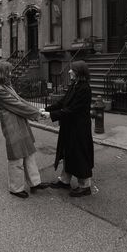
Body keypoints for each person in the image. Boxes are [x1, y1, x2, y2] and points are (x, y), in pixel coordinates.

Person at [0, 60, 49, 199]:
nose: (11, 73)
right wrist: (37, 114)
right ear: (1, 72)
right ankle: (15, 188)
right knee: (16, 157)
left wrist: (37, 109)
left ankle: (35, 182)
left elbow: (20, 100)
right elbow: (17, 105)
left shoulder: (6, 86)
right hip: (11, 126)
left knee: (29, 153)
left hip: (20, 122)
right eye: (8, 71)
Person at [41, 60, 94, 197]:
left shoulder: (84, 88)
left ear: (78, 73)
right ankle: (65, 181)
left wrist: (51, 115)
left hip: (79, 129)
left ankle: (85, 186)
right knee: (68, 153)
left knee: (80, 155)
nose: (69, 72)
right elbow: (62, 102)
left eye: (72, 70)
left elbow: (72, 110)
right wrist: (46, 109)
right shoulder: (74, 85)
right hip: (70, 127)